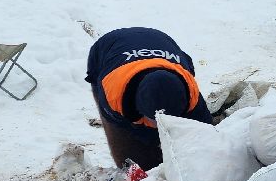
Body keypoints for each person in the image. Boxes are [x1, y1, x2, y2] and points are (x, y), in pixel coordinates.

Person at [85, 27, 213, 171]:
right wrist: (146, 162)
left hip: (162, 41)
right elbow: (122, 142)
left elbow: (206, 134)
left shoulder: (191, 96)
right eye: (155, 120)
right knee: (135, 160)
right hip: (107, 51)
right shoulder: (113, 95)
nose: (159, 126)